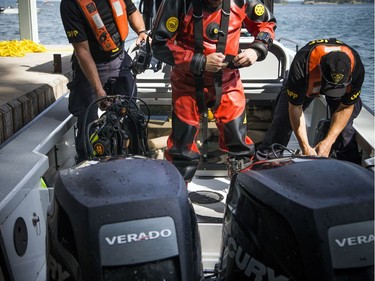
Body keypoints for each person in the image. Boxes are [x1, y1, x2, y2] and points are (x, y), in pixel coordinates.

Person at [151, 0, 277, 181]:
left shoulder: (243, 2)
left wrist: (256, 50)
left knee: (239, 146)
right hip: (187, 84)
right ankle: (179, 197)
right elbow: (159, 44)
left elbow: (266, 24)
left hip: (228, 83)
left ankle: (239, 198)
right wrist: (200, 61)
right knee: (181, 149)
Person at [60, 0, 148, 163]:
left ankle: (134, 160)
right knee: (89, 120)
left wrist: (142, 31)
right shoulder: (70, 4)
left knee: (133, 114)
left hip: (119, 59)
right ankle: (87, 163)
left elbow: (131, 11)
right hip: (91, 65)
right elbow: (82, 51)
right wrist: (99, 90)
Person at [256, 38, 364, 164]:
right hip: (306, 81)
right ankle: (266, 160)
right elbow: (295, 108)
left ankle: (346, 164)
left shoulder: (357, 68)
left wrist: (328, 142)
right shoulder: (302, 65)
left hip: (339, 84)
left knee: (345, 129)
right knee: (282, 121)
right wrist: (305, 147)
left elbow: (346, 107)